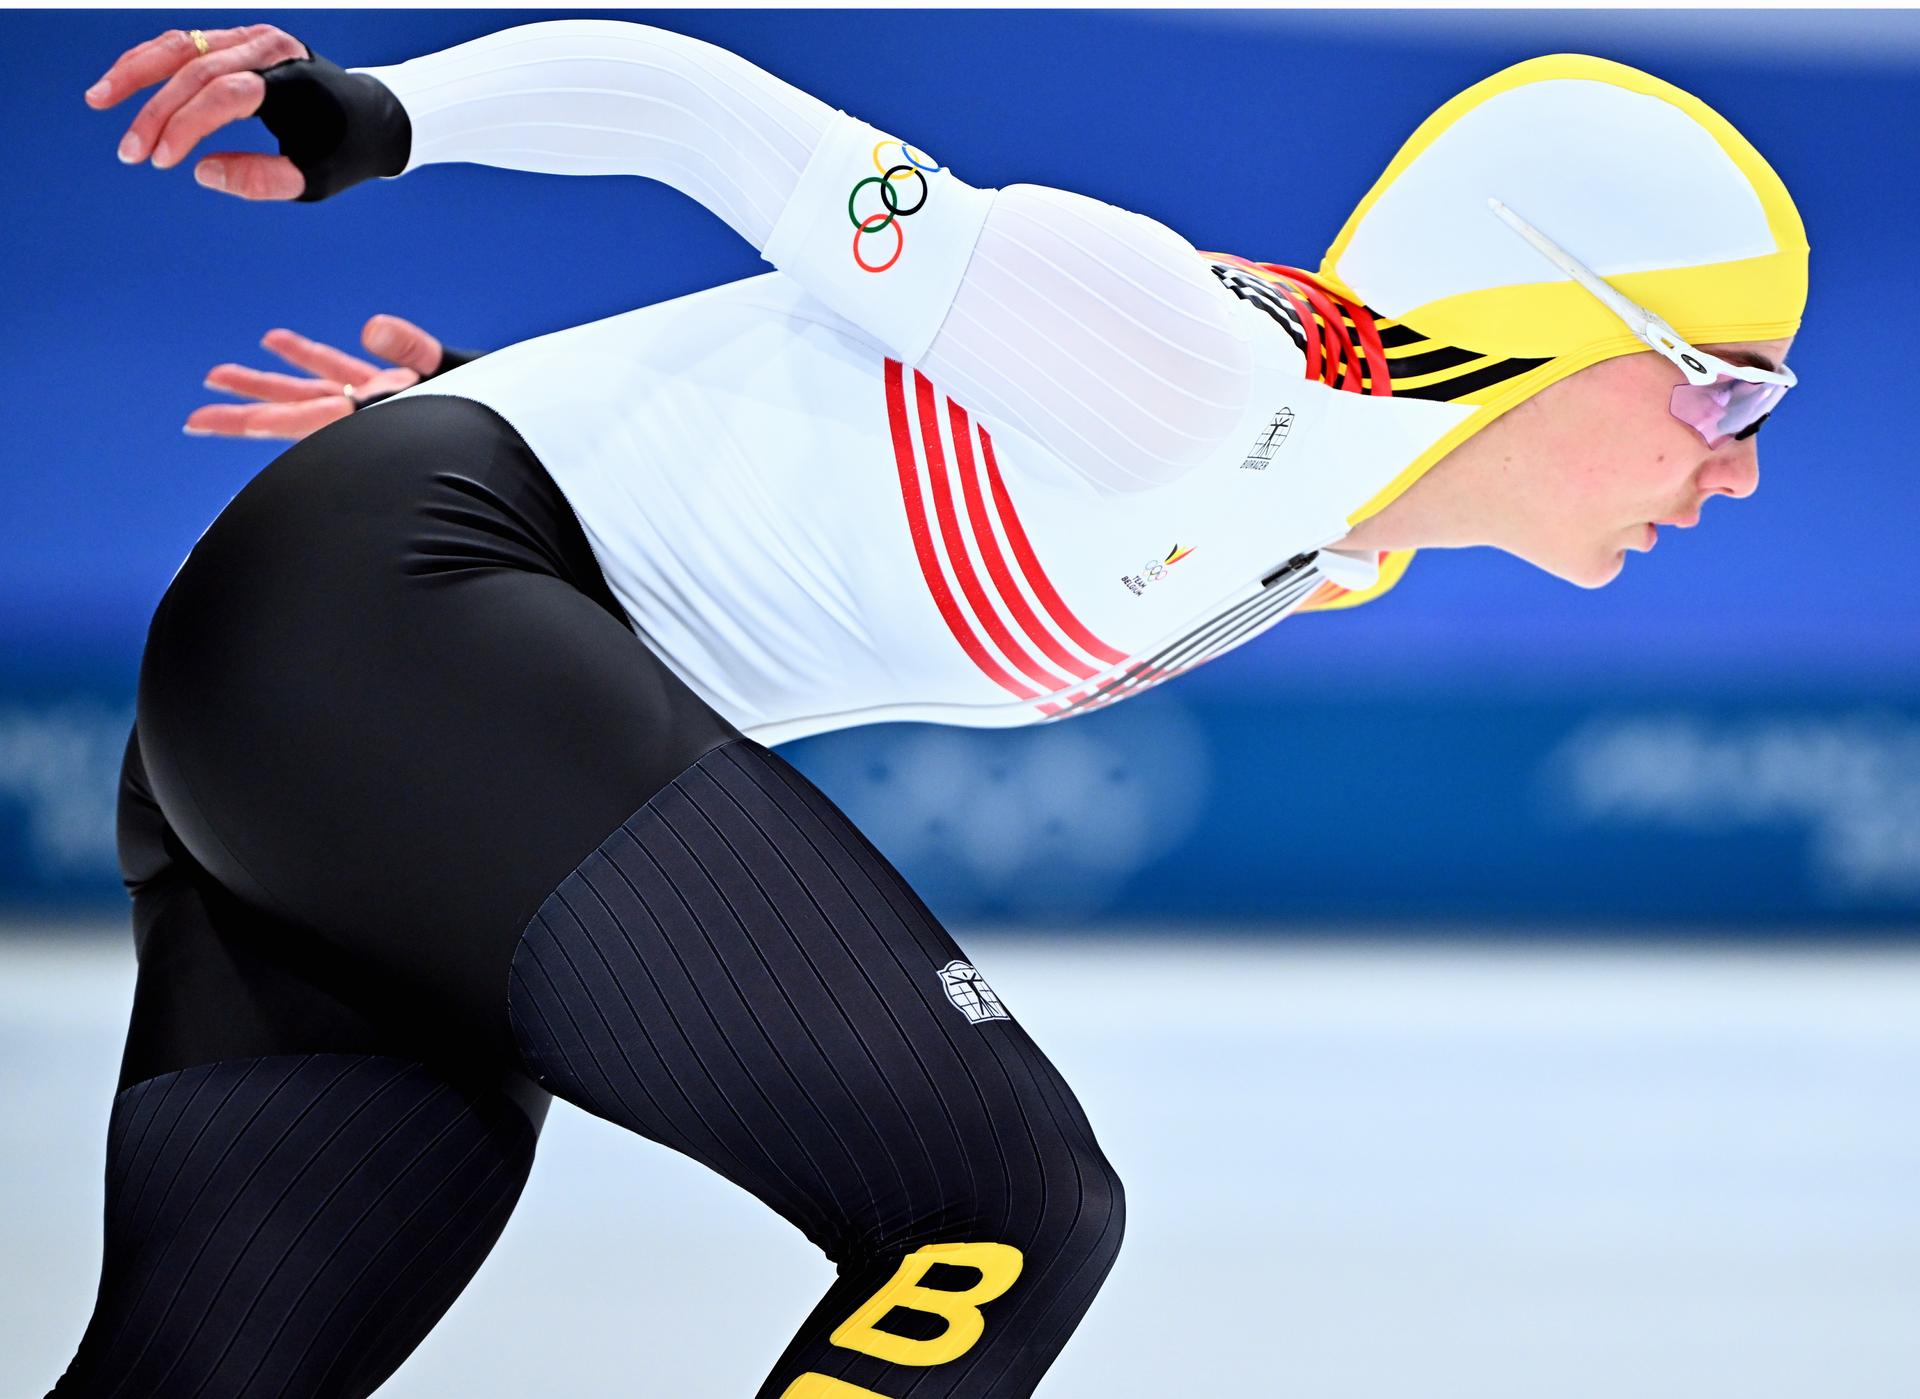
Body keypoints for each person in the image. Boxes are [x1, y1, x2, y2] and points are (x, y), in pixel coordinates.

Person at [55, 17, 1806, 1398]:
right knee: (1001, 1213)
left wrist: (479, 402)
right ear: (1571, 320)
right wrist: (379, 114)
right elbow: (696, 108)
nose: (1736, 471)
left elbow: (801, 450)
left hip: (372, 680)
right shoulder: (1196, 365)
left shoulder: (1327, 546)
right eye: (1728, 390)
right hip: (396, 618)